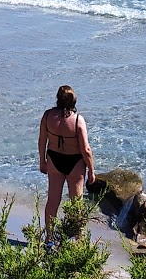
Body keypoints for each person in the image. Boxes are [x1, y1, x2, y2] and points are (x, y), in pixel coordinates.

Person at [38, 85, 95, 226]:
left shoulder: (47, 116)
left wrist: (42, 161)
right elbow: (86, 149)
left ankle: (49, 238)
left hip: (53, 159)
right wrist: (92, 171)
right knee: (76, 204)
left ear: (58, 99)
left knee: (52, 201)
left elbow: (42, 141)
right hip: (74, 162)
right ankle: (78, 240)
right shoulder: (78, 120)